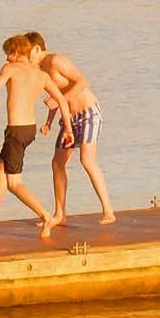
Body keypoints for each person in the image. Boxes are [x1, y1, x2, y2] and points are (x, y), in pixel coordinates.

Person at [0, 36, 67, 238]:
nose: (6, 58)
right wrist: (67, 127)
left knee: (14, 183)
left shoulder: (10, 69)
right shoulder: (40, 74)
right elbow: (61, 100)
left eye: (8, 53)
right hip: (28, 130)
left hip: (16, 132)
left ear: (16, 53)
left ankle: (45, 216)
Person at [25, 31, 113, 227]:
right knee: (57, 163)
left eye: (27, 52)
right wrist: (48, 122)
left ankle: (108, 210)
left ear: (37, 49)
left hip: (88, 113)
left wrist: (59, 100)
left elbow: (82, 82)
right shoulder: (41, 72)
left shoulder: (56, 61)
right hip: (69, 119)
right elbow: (56, 98)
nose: (24, 57)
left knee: (87, 160)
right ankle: (60, 214)